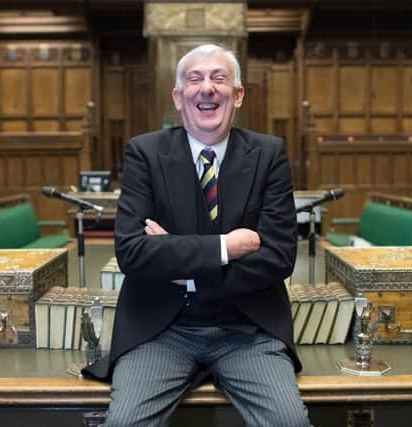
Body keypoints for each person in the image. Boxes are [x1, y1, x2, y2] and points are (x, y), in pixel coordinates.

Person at [83, 43, 311, 427]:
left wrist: (178, 262)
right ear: (178, 96)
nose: (207, 88)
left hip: (248, 330)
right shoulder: (145, 153)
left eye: (219, 78)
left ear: (237, 95)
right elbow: (132, 253)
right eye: (195, 79)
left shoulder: (270, 154)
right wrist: (227, 247)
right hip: (160, 330)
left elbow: (279, 258)